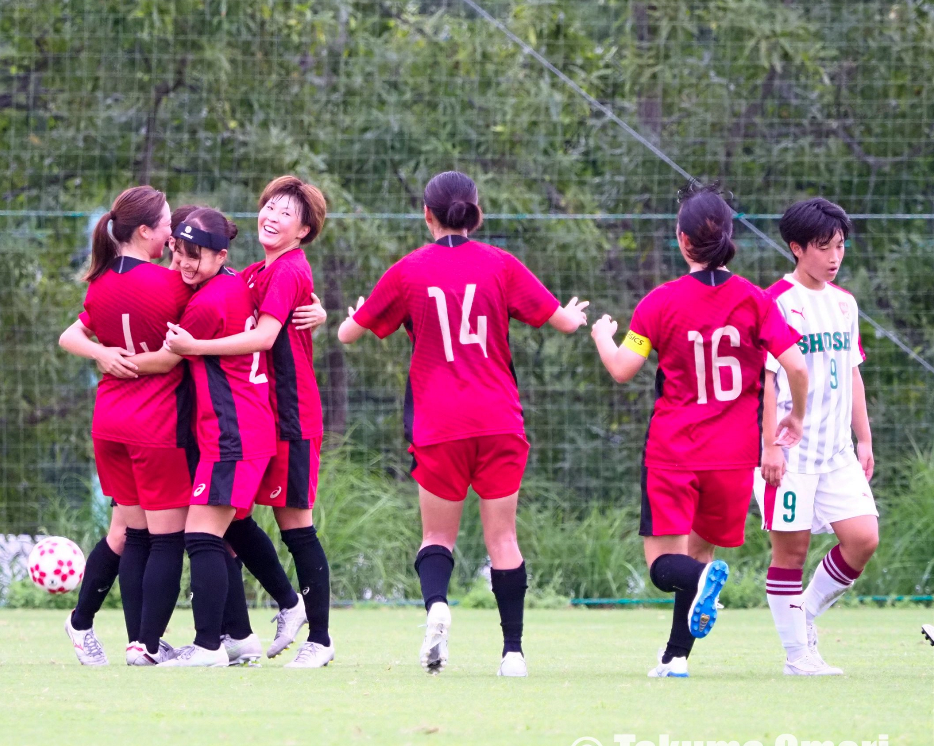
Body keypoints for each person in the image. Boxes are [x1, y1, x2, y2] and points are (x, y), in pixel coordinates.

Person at [337, 171, 590, 677]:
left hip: (439, 424)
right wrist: (575, 316)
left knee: (437, 535)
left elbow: (347, 334)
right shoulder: (500, 264)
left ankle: (437, 607)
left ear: (426, 215)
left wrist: (356, 314)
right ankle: (513, 653)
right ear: (477, 212)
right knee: (503, 539)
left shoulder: (408, 271)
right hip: (498, 420)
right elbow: (561, 321)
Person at [590, 184, 808, 678]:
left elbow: (622, 368)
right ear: (729, 236)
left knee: (665, 566)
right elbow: (797, 366)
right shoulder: (757, 301)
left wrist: (603, 336)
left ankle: (700, 590)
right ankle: (676, 659)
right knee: (699, 555)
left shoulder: (659, 303)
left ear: (682, 240)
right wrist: (793, 419)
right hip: (734, 457)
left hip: (674, 452)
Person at [166, 175, 335, 668]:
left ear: (304, 231)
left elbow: (263, 337)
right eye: (270, 207)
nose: (272, 216)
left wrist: (195, 347)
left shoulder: (288, 270)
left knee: (296, 528)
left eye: (286, 213)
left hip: (291, 415)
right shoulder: (260, 271)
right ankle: (264, 617)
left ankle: (319, 638)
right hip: (259, 415)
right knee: (233, 519)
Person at [57, 186, 194, 666]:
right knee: (166, 538)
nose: (173, 233)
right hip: (155, 423)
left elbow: (71, 334)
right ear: (145, 231)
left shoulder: (99, 282)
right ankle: (148, 645)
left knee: (133, 534)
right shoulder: (172, 284)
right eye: (168, 224)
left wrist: (102, 353)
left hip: (110, 420)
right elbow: (181, 349)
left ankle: (132, 639)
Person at [755, 197, 879, 675]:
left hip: (837, 452)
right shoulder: (777, 303)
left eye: (840, 246)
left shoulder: (845, 303)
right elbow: (766, 380)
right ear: (797, 248)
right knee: (791, 552)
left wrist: (863, 439)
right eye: (824, 247)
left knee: (863, 538)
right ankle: (797, 656)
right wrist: (769, 446)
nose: (834, 257)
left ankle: (803, 614)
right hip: (791, 454)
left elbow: (852, 372)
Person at [151, 207, 278, 667]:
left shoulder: (206, 303)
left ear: (221, 255)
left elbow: (168, 357)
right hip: (238, 429)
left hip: (233, 432)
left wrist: (109, 358)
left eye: (195, 255)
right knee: (218, 536)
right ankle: (240, 638)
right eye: (180, 252)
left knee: (201, 536)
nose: (185, 263)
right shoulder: (234, 282)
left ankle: (208, 647)